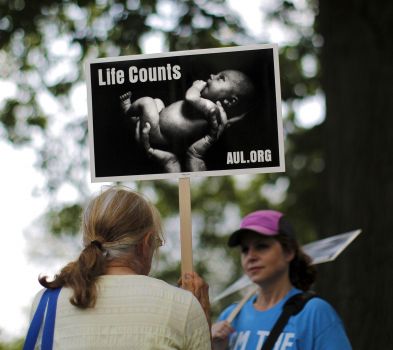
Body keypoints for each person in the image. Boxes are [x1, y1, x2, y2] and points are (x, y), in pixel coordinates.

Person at [27, 186, 211, 349]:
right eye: (157, 242)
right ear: (145, 243)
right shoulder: (181, 306)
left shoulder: (46, 302)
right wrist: (200, 318)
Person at [212, 210, 352, 350]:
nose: (251, 256)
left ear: (289, 252)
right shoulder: (230, 317)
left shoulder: (314, 313)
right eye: (245, 250)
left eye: (262, 246)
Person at [120, 70, 255, 156]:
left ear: (230, 101)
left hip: (159, 134)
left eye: (221, 78)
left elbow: (190, 97)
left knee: (147, 102)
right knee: (157, 101)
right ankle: (137, 119)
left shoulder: (211, 109)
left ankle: (127, 110)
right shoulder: (207, 106)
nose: (212, 75)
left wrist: (195, 87)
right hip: (158, 119)